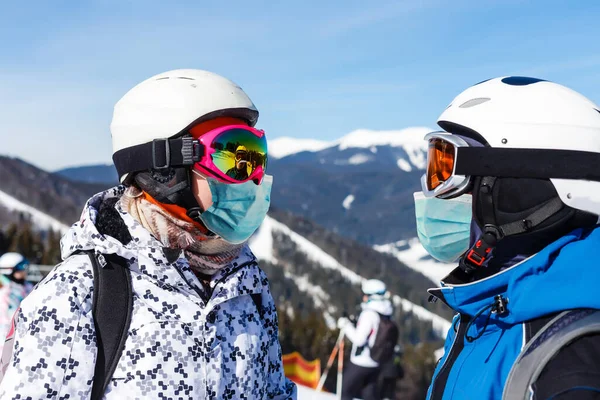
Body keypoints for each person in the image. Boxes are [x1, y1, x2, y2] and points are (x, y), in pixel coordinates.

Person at [0, 69, 296, 399]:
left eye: (256, 156)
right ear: (165, 173)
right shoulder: (76, 296)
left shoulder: (246, 284)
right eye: (231, 156)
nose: (251, 178)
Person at [415, 76, 600, 399]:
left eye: (447, 171)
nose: (436, 193)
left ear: (520, 191)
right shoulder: (488, 315)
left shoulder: (572, 358)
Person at [337, 279, 394, 400]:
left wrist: (345, 325)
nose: (363, 297)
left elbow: (359, 340)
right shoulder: (386, 312)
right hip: (377, 361)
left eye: (365, 294)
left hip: (361, 361)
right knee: (369, 394)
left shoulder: (369, 314)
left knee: (345, 391)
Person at [0, 253, 31, 352]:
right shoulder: (5, 291)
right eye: (21, 267)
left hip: (22, 338)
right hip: (6, 340)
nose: (24, 271)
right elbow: (12, 315)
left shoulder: (26, 286)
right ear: (9, 270)